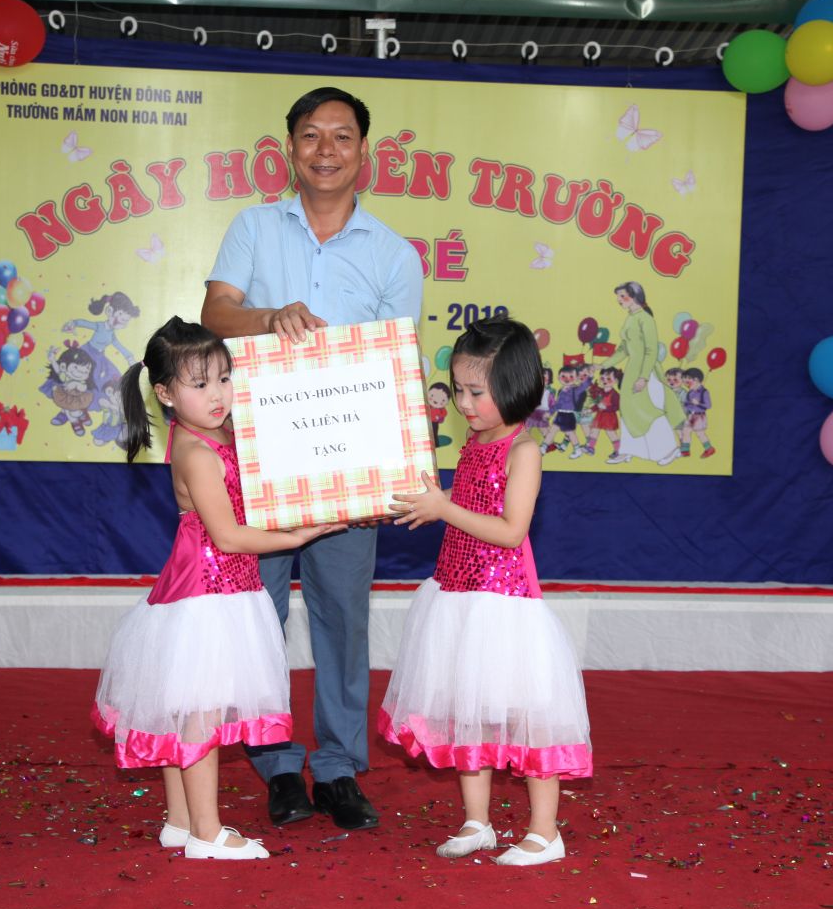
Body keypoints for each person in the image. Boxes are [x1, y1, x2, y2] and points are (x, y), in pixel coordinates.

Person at [201, 86, 424, 831]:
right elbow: (214, 313)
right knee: (258, 616)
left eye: (341, 136)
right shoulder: (254, 227)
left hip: (350, 468)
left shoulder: (394, 254)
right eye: (310, 135)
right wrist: (270, 318)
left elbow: (396, 366)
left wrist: (396, 469)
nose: (325, 150)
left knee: (343, 619)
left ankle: (336, 768)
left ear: (365, 152)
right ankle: (275, 765)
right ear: (288, 148)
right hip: (262, 462)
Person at [91, 317, 342, 860]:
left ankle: (180, 821)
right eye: (200, 384)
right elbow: (227, 536)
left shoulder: (217, 434)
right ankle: (206, 832)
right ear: (165, 394)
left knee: (185, 709)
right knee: (199, 714)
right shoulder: (197, 452)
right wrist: (299, 535)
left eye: (225, 379)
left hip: (222, 589)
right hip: (206, 593)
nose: (218, 394)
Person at [382, 318, 592, 866]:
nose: (464, 403)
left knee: (526, 716)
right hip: (457, 594)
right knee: (466, 708)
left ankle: (545, 831)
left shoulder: (524, 451)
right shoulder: (475, 442)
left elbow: (510, 530)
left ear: (515, 384)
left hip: (503, 603)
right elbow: (472, 496)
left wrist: (445, 508)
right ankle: (477, 821)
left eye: (476, 392)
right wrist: (436, 500)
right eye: (458, 390)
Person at [609, 281, 684, 466]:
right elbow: (623, 349)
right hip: (632, 371)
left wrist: (644, 377)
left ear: (635, 296)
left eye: (622, 296)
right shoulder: (630, 318)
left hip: (647, 371)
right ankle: (629, 450)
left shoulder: (645, 319)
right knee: (628, 410)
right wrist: (601, 365)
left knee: (649, 410)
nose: (619, 300)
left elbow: (651, 350)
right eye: (618, 296)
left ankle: (670, 449)